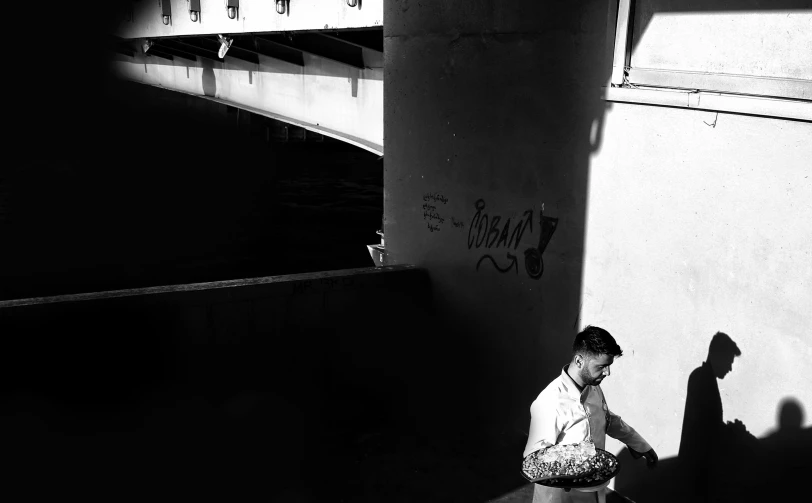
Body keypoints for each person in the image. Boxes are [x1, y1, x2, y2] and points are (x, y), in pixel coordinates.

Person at [523, 326, 658, 503]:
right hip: (561, 496)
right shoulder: (549, 402)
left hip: (596, 489)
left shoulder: (593, 387)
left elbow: (606, 419)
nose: (607, 373)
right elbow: (533, 458)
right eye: (602, 367)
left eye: (608, 366)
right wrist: (570, 475)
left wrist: (639, 444)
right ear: (579, 361)